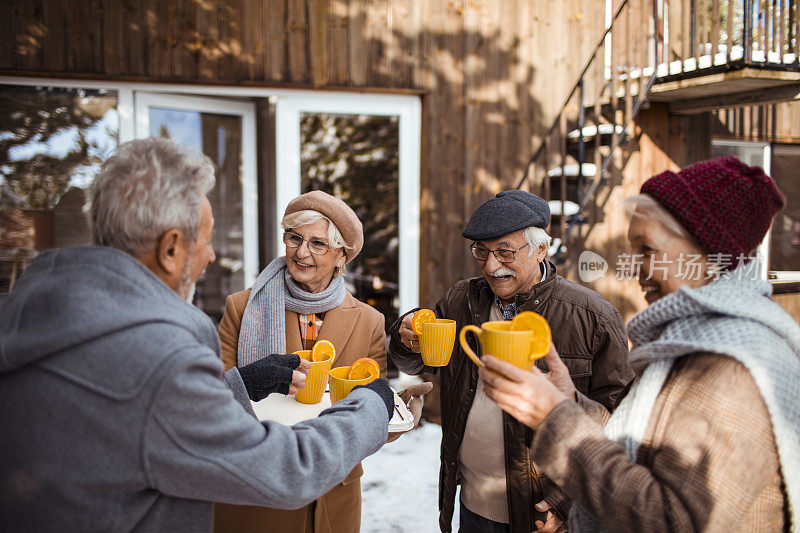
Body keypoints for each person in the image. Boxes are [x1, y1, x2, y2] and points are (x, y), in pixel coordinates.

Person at [0, 138, 397, 532]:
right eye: (205, 239)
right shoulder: (165, 358)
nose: (210, 256)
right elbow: (287, 470)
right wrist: (372, 407)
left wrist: (241, 383)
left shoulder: (16, 315)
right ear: (172, 248)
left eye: (318, 244)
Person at [480, 156, 800, 531]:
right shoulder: (692, 342)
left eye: (647, 250)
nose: (633, 267)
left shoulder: (733, 368)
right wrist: (569, 402)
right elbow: (644, 446)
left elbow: (669, 522)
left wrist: (555, 419)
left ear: (706, 254)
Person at [388, 190, 634, 533]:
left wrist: (568, 502)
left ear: (541, 250)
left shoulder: (592, 315)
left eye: (505, 252)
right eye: (482, 252)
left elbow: (622, 422)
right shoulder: (462, 298)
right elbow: (418, 364)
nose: (491, 266)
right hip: (471, 505)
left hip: (544, 514)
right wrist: (405, 336)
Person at [213, 190, 432, 532]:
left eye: (317, 244)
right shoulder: (242, 308)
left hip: (332, 497)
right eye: (294, 238)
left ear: (341, 257)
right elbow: (213, 402)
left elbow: (365, 410)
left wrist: (395, 411)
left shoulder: (368, 320)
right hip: (257, 486)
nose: (301, 252)